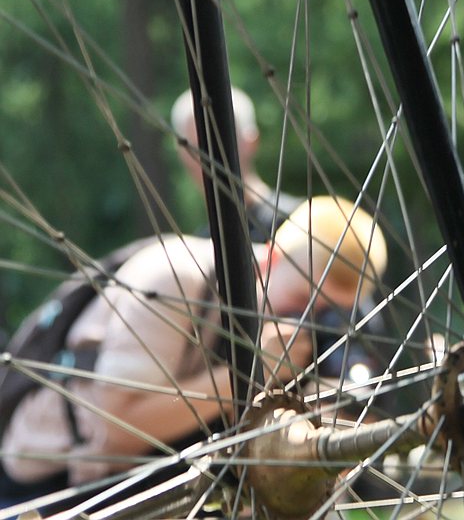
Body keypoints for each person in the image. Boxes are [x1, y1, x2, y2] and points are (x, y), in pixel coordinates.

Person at [0, 195, 387, 513]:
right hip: (45, 485)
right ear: (271, 257)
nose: (305, 319)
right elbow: (115, 430)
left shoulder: (278, 323)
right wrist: (248, 371)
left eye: (325, 311)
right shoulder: (175, 276)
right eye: (304, 298)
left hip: (143, 482)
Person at [171, 86, 302, 243]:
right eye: (195, 147)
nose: (208, 157)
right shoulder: (202, 244)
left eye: (220, 142)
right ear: (180, 153)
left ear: (251, 141)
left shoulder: (300, 221)